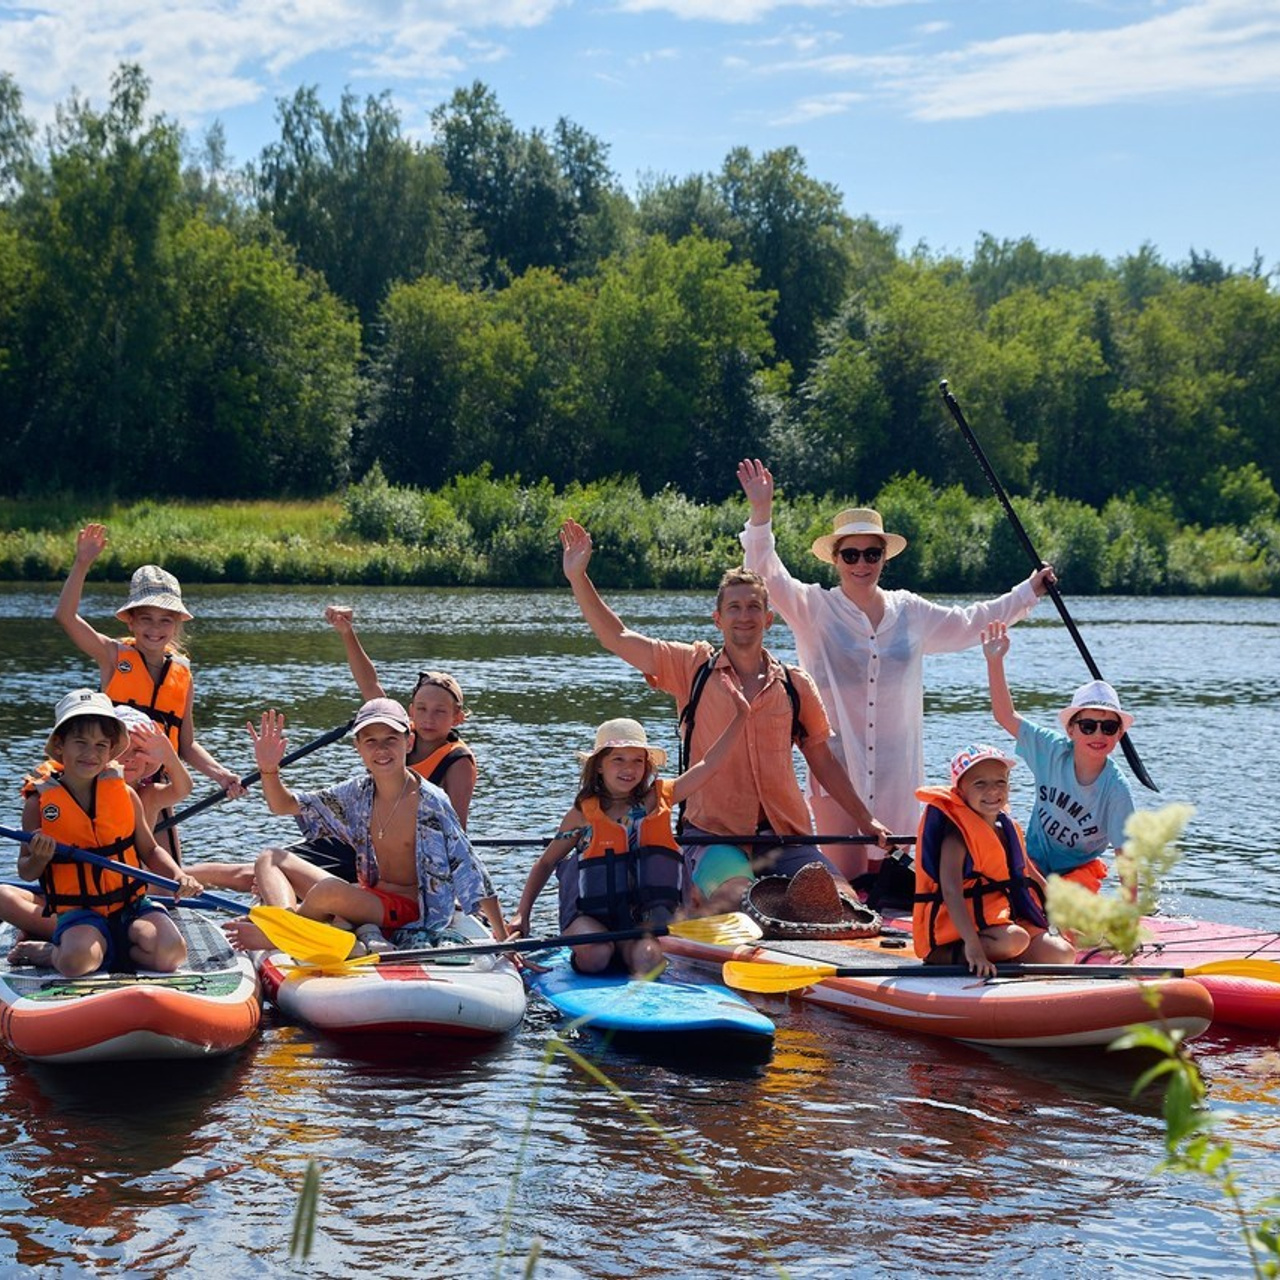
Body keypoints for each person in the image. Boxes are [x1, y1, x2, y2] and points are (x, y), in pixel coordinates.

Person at [736, 458, 1056, 880]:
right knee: (843, 880)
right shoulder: (814, 608)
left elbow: (972, 622)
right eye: (850, 553)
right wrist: (761, 514)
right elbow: (764, 573)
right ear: (835, 558)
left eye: (872, 553)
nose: (861, 563)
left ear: (885, 556)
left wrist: (1029, 590)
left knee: (900, 881)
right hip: (835, 772)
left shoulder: (911, 611)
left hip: (898, 775)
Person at [559, 518, 889, 916]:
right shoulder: (691, 667)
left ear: (768, 618)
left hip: (786, 838)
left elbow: (823, 762)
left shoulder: (795, 684)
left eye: (753, 607)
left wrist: (866, 819)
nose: (744, 616)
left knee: (843, 906)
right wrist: (578, 577)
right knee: (743, 901)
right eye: (734, 607)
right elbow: (619, 638)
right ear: (719, 619)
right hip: (714, 837)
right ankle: (713, 910)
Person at [223, 698, 506, 956]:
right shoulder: (356, 792)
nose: (381, 749)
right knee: (271, 857)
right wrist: (269, 770)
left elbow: (469, 867)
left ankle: (278, 934)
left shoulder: (432, 802)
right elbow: (283, 805)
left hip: (411, 911)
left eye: (390, 739)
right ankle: (290, 923)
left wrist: (502, 939)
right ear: (358, 747)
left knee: (328, 891)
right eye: (370, 741)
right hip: (369, 895)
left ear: (408, 742)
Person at [508, 696, 748, 977]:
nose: (629, 769)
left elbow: (709, 765)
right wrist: (522, 914)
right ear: (599, 765)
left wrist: (741, 715)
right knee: (596, 955)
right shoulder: (583, 814)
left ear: (646, 765)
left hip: (639, 921)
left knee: (648, 961)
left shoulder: (656, 800)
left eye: (637, 760)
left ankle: (627, 954)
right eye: (618, 759)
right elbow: (546, 863)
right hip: (590, 919)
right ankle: (592, 957)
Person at [52, 524, 245, 831]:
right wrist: (82, 563)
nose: (155, 629)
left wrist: (221, 774)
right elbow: (65, 617)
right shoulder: (112, 656)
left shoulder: (182, 674)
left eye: (165, 620)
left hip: (157, 789)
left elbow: (186, 745)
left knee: (163, 870)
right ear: (130, 621)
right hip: (108, 781)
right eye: (146, 619)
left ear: (176, 624)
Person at [8, 689, 205, 975]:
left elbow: (149, 850)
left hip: (131, 905)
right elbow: (26, 871)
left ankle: (112, 948)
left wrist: (178, 875)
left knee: (172, 953)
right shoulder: (38, 804)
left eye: (101, 745)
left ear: (112, 750)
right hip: (79, 913)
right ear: (61, 746)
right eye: (81, 743)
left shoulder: (125, 794)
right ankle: (53, 953)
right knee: (76, 963)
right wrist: (39, 858)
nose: (91, 753)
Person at [982, 620, 1136, 891]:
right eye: (1088, 726)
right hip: (1034, 860)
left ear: (1119, 735)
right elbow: (1005, 716)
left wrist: (1130, 917)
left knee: (1074, 921)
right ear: (1071, 730)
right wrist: (995, 662)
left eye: (1109, 727)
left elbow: (1126, 856)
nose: (1098, 735)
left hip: (1078, 870)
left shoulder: (1116, 789)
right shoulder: (1051, 750)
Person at [912, 743, 1074, 977]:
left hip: (997, 923)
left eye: (1000, 782)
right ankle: (948, 956)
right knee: (1016, 939)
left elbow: (1031, 875)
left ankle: (1001, 954)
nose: (992, 791)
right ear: (960, 791)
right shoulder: (956, 836)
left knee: (1061, 954)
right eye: (980, 784)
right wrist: (973, 946)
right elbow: (950, 891)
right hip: (955, 934)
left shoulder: (1006, 828)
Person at [324, 605, 477, 825]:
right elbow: (369, 683)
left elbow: (456, 828)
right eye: (422, 709)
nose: (428, 718)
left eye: (440, 711)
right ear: (411, 711)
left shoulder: (458, 762)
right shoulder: (397, 729)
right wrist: (347, 633)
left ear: (457, 718)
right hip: (372, 833)